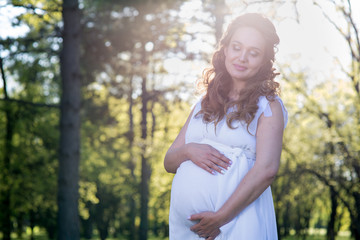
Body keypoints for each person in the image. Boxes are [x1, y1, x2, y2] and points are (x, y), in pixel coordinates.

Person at [164, 13, 288, 240]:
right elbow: (169, 161)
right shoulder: (203, 102)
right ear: (225, 50)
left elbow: (267, 170)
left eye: (253, 53)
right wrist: (189, 150)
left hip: (237, 223)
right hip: (188, 232)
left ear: (264, 61)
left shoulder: (269, 106)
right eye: (237, 47)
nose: (242, 58)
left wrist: (220, 218)